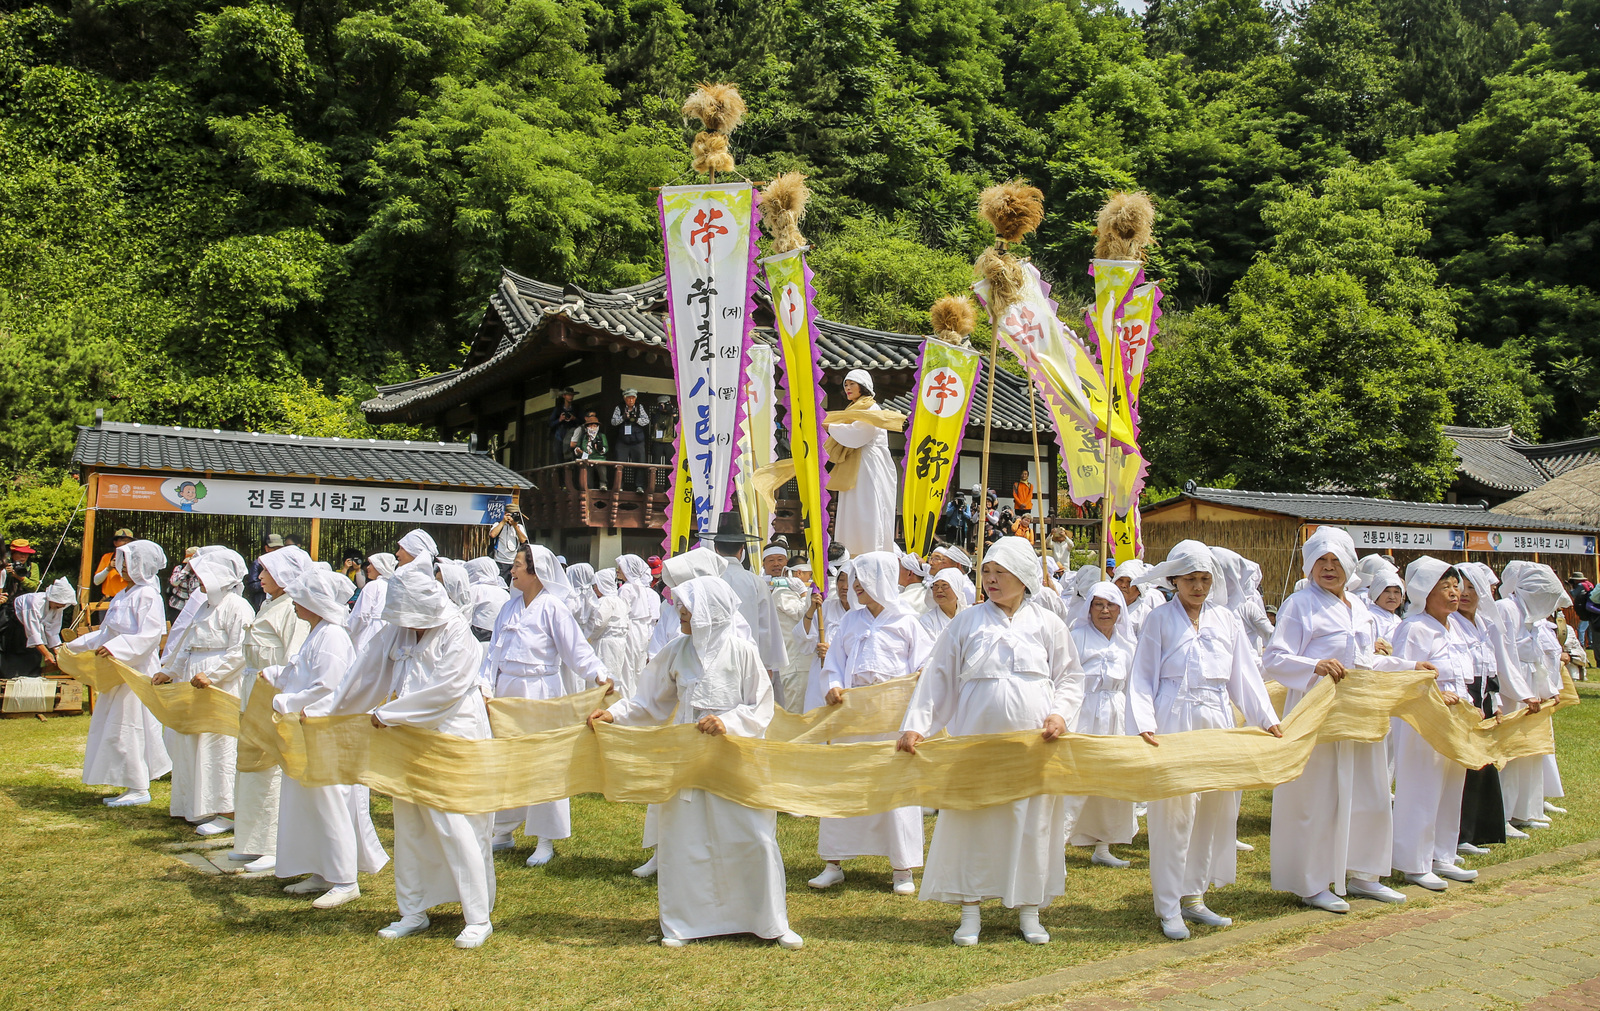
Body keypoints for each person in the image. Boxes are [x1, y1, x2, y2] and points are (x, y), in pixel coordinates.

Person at [590, 576, 803, 950]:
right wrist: (615, 714)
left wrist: (728, 722)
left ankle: (768, 921)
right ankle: (686, 923)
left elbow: (761, 705)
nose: (680, 613)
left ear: (710, 611)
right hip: (688, 760)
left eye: (687, 607)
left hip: (735, 758)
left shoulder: (742, 651)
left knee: (753, 836)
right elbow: (649, 701)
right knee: (687, 839)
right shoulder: (676, 650)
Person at [898, 536, 1085, 946]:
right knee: (974, 820)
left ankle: (1029, 909)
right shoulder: (967, 622)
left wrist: (1060, 714)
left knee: (1032, 821)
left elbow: (1070, 677)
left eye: (1001, 572)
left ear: (1024, 576)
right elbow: (938, 677)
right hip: (977, 741)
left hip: (1033, 745)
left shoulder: (1048, 623)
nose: (992, 579)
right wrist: (917, 725)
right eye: (987, 571)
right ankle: (970, 911)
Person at [329, 563, 498, 947]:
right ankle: (413, 910)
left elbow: (446, 691)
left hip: (452, 734)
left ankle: (477, 917)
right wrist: (332, 712)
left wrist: (390, 714)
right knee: (408, 821)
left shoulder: (457, 632)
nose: (406, 625)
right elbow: (366, 671)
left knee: (455, 822)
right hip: (407, 736)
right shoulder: (399, 629)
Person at [1262, 527, 1424, 912]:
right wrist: (1314, 665)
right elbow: (1274, 658)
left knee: (1370, 790)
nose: (1329, 567)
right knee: (1316, 795)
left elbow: (1366, 661)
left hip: (1360, 709)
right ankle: (1312, 882)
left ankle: (1365, 873)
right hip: (1317, 710)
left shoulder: (1360, 608)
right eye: (1321, 560)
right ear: (1309, 565)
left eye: (1336, 560)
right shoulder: (1300, 604)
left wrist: (1408, 666)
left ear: (1350, 564)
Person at [1130, 540, 1282, 940]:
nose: (1197, 587)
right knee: (1174, 813)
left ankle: (1194, 896)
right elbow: (1142, 675)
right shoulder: (1159, 620)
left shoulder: (1226, 620)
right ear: (1174, 581)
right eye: (1189, 579)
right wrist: (1144, 723)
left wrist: (1267, 719)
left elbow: (1244, 676)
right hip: (1173, 717)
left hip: (1216, 718)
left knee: (1214, 808)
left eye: (1204, 579)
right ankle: (1168, 905)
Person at [265, 567, 389, 909]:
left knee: (330, 800)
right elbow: (302, 674)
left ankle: (345, 879)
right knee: (309, 801)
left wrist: (288, 702)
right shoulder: (318, 632)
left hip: (326, 732)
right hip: (308, 729)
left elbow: (329, 687)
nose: (293, 603)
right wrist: (276, 678)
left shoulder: (332, 636)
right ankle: (322, 870)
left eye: (299, 597)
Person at [811, 552, 933, 895]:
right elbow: (834, 664)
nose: (856, 586)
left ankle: (902, 868)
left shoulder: (908, 622)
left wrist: (916, 683)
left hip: (893, 716)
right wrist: (833, 685)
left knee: (896, 787)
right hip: (855, 715)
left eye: (863, 580)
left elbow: (925, 666)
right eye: (855, 580)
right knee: (845, 782)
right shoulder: (851, 621)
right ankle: (833, 862)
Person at [482, 544, 612, 865]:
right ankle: (503, 829)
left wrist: (599, 675)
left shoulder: (553, 607)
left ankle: (545, 838)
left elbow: (576, 650)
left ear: (535, 572)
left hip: (541, 690)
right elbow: (493, 652)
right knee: (508, 759)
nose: (512, 571)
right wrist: (485, 686)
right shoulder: (508, 608)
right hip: (507, 692)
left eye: (517, 565)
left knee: (545, 761)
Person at [1388, 557, 1479, 890]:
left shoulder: (1456, 627)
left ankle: (1443, 855)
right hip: (1423, 719)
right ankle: (1414, 862)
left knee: (1451, 784)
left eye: (1457, 586)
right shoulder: (1414, 627)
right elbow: (1403, 674)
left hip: (1455, 718)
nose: (1455, 593)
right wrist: (1437, 694)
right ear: (1425, 592)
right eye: (1446, 587)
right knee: (1422, 786)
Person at [155, 548, 254, 837]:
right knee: (193, 741)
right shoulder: (205, 606)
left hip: (221, 685)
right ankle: (197, 805)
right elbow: (188, 644)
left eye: (202, 574)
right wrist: (170, 671)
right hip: (195, 680)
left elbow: (241, 651)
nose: (197, 579)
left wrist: (213, 675)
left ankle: (228, 810)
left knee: (219, 744)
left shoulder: (238, 606)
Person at [69, 539, 172, 806]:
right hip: (117, 669)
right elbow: (106, 633)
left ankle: (139, 787)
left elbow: (150, 636)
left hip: (135, 669)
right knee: (115, 725)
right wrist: (73, 646)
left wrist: (117, 648)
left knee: (130, 725)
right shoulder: (122, 595)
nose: (121, 566)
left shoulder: (148, 595)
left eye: (127, 562)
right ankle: (129, 782)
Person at [231, 545, 311, 873]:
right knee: (253, 763)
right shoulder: (269, 604)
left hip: (274, 695)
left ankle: (274, 843)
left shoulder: (293, 609)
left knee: (272, 766)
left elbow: (295, 659)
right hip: (254, 691)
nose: (260, 576)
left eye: (266, 571)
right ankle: (251, 840)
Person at [1453, 562, 1528, 855]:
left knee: (1483, 764)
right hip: (1462, 699)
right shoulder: (1450, 623)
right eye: (1461, 587)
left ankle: (1479, 831)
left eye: (1472, 588)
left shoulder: (1485, 624)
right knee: (1463, 767)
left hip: (1483, 698)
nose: (1465, 594)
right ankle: (1460, 833)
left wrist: (1495, 702)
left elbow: (1492, 667)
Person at [1065, 581, 1139, 869]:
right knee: (1077, 778)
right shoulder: (1076, 636)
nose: (1105, 610)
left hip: (1116, 714)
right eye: (1098, 604)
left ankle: (1103, 844)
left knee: (1111, 779)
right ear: (1089, 608)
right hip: (1084, 712)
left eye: (1110, 605)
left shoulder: (1127, 644)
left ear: (1120, 610)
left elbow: (1133, 685)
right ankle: (1058, 840)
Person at [1496, 562, 1565, 834]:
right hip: (1513, 691)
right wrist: (1522, 693)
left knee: (1531, 750)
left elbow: (1538, 657)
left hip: (1530, 685)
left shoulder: (1530, 616)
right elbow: (1503, 656)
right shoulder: (1506, 609)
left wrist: (1548, 689)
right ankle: (1503, 814)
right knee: (1510, 754)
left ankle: (1526, 810)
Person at [824, 369, 901, 556]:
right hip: (856, 462)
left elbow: (859, 434)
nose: (848, 388)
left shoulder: (871, 407)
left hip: (870, 463)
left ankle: (871, 552)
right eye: (846, 385)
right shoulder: (853, 408)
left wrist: (830, 426)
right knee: (852, 507)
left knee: (869, 507)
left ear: (863, 386)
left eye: (852, 384)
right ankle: (849, 553)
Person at [708, 512, 788, 676]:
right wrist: (767, 664)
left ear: (716, 548)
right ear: (741, 549)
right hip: (749, 663)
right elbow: (766, 627)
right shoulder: (756, 583)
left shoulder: (705, 581)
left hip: (710, 661)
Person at [766, 550, 812, 712]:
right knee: (796, 715)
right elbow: (803, 614)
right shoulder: (783, 593)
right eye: (809, 575)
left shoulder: (791, 592)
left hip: (803, 665)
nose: (810, 579)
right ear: (798, 573)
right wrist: (804, 592)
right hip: (796, 664)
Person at [13, 577, 76, 675]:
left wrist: (59, 653)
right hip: (13, 624)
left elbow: (53, 631)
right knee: (14, 658)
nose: (63, 606)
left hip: (28, 629)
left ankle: (31, 677)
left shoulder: (57, 608)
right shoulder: (34, 602)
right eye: (61, 603)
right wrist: (46, 653)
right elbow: (33, 632)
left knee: (33, 659)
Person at [615, 554, 659, 682]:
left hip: (630, 629)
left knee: (627, 667)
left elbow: (621, 613)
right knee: (639, 665)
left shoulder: (625, 589)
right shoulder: (644, 589)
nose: (618, 570)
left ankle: (628, 692)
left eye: (620, 567)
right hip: (643, 630)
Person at [349, 553, 398, 652]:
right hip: (389, 635)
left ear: (379, 566)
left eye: (371, 564)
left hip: (371, 634)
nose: (368, 567)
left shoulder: (373, 585)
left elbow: (360, 615)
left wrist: (349, 631)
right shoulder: (394, 586)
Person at [611, 388, 652, 492]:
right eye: (629, 398)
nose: (631, 400)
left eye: (633, 398)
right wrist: (623, 418)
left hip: (637, 440)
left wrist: (636, 419)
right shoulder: (619, 407)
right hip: (623, 440)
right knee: (619, 464)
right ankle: (619, 486)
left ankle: (639, 486)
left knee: (640, 463)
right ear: (624, 398)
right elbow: (613, 422)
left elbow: (647, 420)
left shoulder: (639, 407)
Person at [919, 568, 975, 639]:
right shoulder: (928, 620)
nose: (939, 590)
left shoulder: (970, 615)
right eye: (936, 586)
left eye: (944, 585)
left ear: (956, 588)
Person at [465, 557, 510, 642]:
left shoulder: (476, 589)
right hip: (500, 634)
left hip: (478, 633)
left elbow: (467, 614)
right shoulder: (504, 592)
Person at [92, 528, 135, 600]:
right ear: (115, 543)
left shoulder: (135, 559)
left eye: (129, 541)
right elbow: (96, 581)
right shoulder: (107, 557)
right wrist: (108, 569)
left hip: (128, 599)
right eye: (123, 540)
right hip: (109, 600)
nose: (126, 543)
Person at [487, 508, 528, 583]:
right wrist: (503, 521)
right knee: (500, 584)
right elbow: (492, 535)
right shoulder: (498, 525)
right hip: (500, 561)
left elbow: (523, 540)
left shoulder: (519, 527)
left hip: (514, 562)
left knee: (513, 584)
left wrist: (515, 526)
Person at [243, 534, 283, 610]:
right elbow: (252, 585)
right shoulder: (258, 563)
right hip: (262, 602)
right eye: (273, 548)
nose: (276, 551)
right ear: (266, 548)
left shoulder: (285, 564)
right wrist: (269, 583)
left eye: (279, 548)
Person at [571, 410, 610, 489]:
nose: (592, 428)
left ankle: (603, 484)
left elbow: (606, 448)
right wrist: (578, 450)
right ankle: (588, 488)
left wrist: (600, 449)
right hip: (587, 459)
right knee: (587, 476)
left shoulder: (601, 436)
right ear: (587, 427)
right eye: (590, 426)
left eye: (594, 426)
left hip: (599, 458)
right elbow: (578, 446)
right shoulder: (583, 436)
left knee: (602, 470)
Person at [168, 547, 201, 622]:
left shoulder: (202, 571)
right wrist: (186, 570)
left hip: (196, 606)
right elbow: (174, 582)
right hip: (178, 606)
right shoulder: (179, 569)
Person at [548, 387, 578, 463]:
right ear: (564, 396)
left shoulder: (576, 408)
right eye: (569, 395)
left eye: (572, 395)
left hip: (571, 433)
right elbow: (550, 423)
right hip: (559, 434)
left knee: (570, 456)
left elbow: (582, 421)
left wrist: (574, 418)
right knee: (558, 455)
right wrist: (559, 420)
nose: (571, 397)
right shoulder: (558, 409)